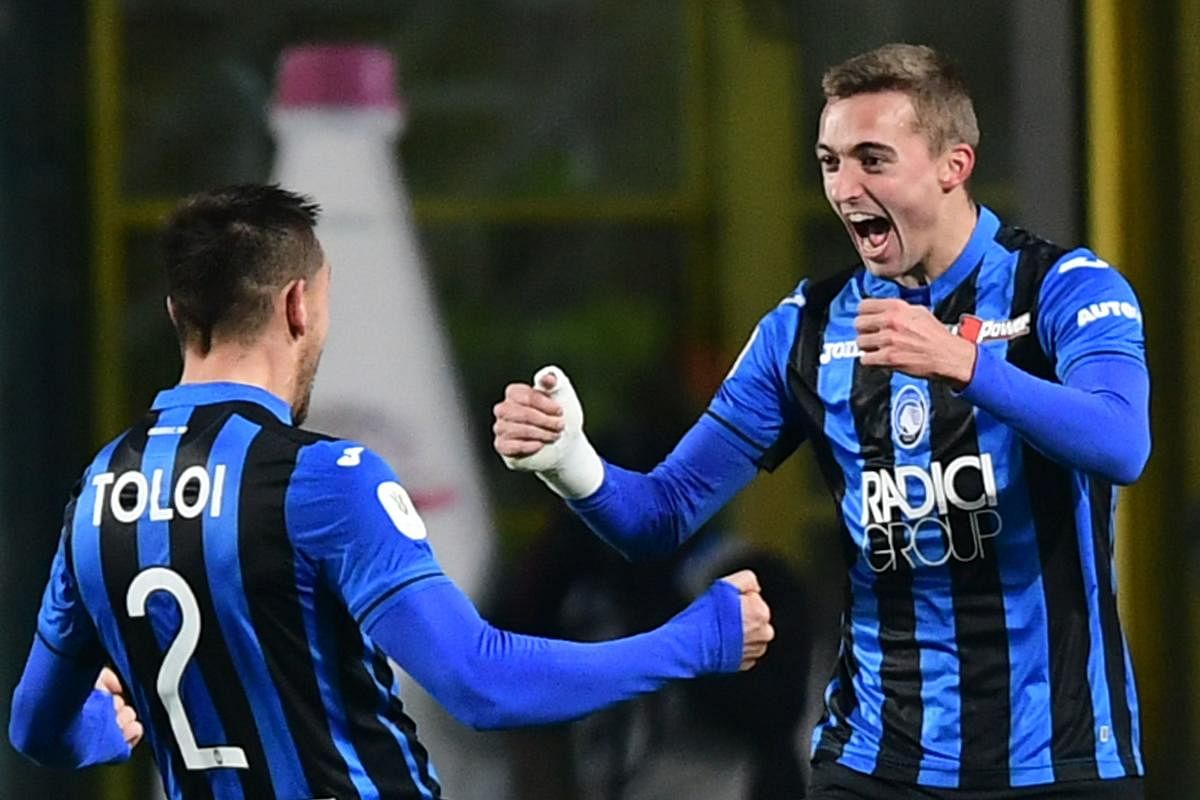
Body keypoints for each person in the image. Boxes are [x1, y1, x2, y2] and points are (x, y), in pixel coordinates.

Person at [493, 43, 1150, 799]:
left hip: (1060, 762)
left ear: (953, 164)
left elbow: (1122, 443)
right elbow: (661, 516)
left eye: (873, 159)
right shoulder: (803, 331)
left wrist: (968, 366)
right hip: (872, 764)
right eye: (830, 161)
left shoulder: (1065, 289)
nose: (845, 188)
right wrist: (569, 460)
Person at [8, 184, 774, 800]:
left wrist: (103, 732)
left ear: (179, 314)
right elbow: (479, 681)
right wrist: (693, 643)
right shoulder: (322, 482)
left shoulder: (97, 493)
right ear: (299, 306)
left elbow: (37, 727)